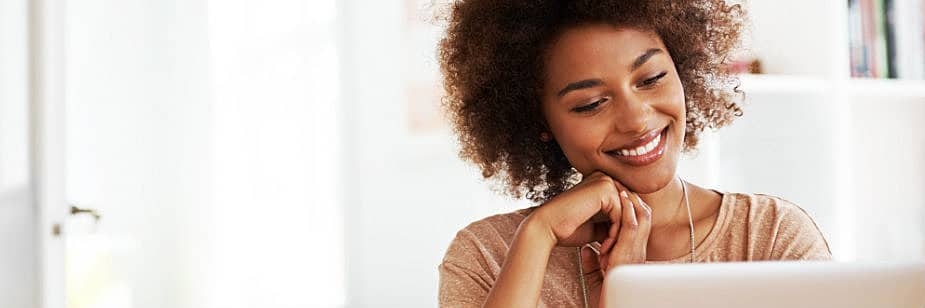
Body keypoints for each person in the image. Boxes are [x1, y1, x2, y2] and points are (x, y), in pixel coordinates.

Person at [435, 0, 833, 307]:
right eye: (591, 103)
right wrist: (539, 234)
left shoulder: (769, 238)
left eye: (652, 78)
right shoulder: (489, 257)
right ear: (538, 121)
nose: (637, 119)